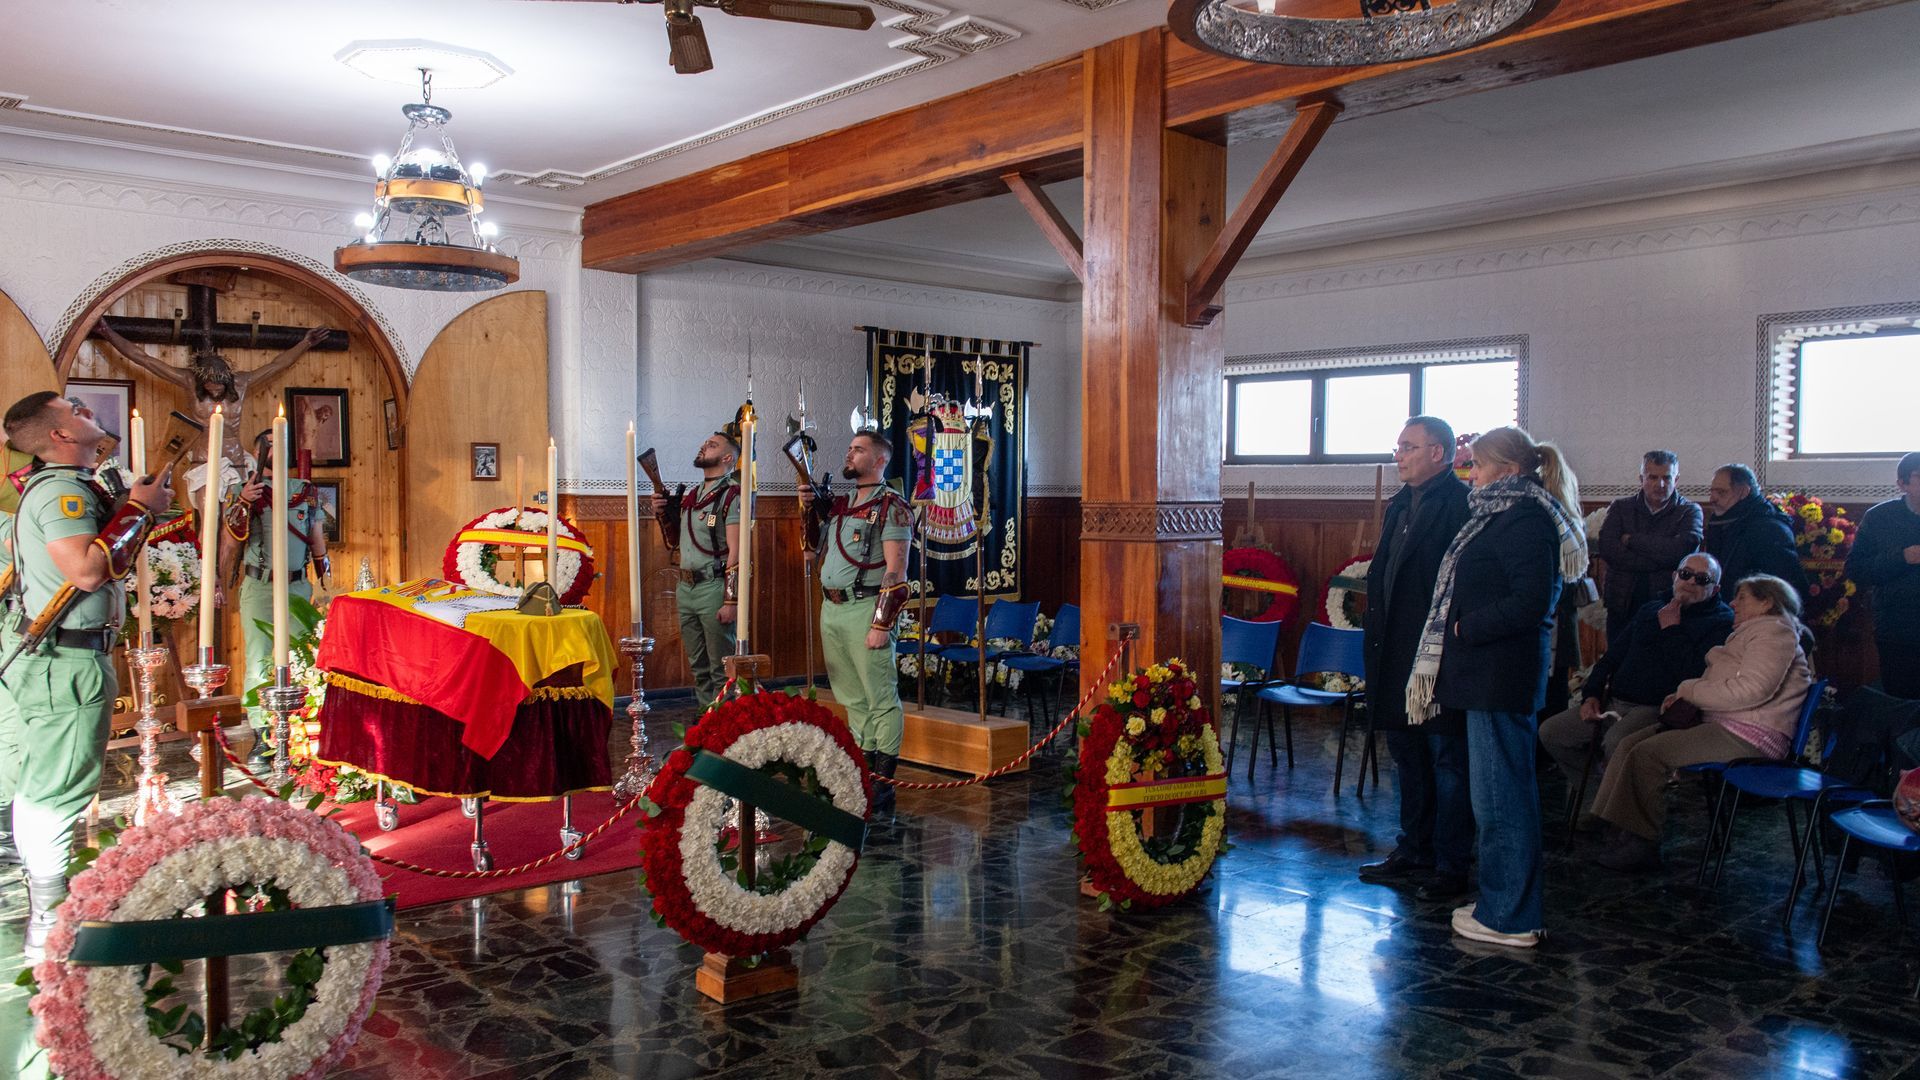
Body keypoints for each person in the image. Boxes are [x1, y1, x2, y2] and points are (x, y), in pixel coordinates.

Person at [0, 391, 169, 957]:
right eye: (75, 410)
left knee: (47, 782)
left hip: (56, 655)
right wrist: (139, 511)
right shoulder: (61, 493)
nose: (87, 412)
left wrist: (132, 505)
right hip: (65, 660)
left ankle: (47, 907)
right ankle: (49, 922)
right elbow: (87, 571)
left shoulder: (62, 486)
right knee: (55, 790)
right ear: (59, 437)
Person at [1410, 425, 1587, 949]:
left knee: (1501, 800)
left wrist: (1466, 627)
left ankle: (1509, 915)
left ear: (1508, 472)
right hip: (1486, 677)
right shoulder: (1502, 515)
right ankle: (1503, 903)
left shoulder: (1526, 519)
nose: (1472, 474)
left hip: (1498, 676)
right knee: (1494, 796)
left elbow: (1531, 601)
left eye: (1479, 466)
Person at [1591, 574, 1813, 872]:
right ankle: (1617, 828)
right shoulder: (1755, 633)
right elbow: (1727, 684)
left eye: (1743, 597)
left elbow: (1751, 691)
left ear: (1767, 602)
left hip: (1752, 734)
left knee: (1649, 754)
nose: (1733, 603)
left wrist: (1689, 691)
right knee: (1630, 742)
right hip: (1726, 722)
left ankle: (1641, 841)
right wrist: (1683, 695)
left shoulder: (1774, 634)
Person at [1359, 416, 1474, 901]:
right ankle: (1415, 847)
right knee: (1407, 753)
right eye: (1398, 446)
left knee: (1445, 759)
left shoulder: (1460, 505)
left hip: (1435, 654)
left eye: (1408, 447)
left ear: (1438, 454)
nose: (1398, 454)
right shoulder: (1401, 504)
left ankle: (1450, 864)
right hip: (1395, 648)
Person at [1538, 552, 1733, 818]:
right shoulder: (1652, 609)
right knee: (1552, 732)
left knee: (1615, 741)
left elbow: (1692, 674)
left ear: (1715, 589)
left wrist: (1672, 630)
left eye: (1702, 579)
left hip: (1658, 707)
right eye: (1685, 574)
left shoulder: (1720, 622)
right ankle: (1598, 795)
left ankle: (1613, 814)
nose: (1690, 583)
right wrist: (1591, 695)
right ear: (1675, 575)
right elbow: (1612, 656)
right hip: (1615, 700)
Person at [800, 432, 913, 821]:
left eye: (859, 449)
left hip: (866, 609)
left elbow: (896, 573)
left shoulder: (892, 507)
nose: (849, 453)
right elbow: (812, 551)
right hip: (832, 609)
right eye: (849, 448)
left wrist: (881, 624)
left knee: (880, 698)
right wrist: (807, 511)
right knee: (851, 698)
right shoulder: (843, 506)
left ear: (880, 460)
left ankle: (883, 783)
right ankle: (863, 774)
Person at [225, 428, 329, 767]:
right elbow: (231, 538)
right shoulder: (245, 491)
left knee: (299, 657)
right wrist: (243, 501)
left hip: (297, 585)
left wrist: (323, 567)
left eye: (282, 442)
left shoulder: (304, 491)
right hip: (261, 585)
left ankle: (297, 730)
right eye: (270, 443)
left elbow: (315, 534)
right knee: (259, 659)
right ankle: (261, 733)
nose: (276, 448)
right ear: (259, 451)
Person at [650, 426, 741, 709]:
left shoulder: (731, 495)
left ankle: (724, 723)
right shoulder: (694, 495)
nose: (704, 446)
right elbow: (676, 541)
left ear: (728, 458)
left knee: (720, 666)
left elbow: (737, 552)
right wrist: (663, 514)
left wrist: (731, 599)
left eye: (712, 445)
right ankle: (706, 718)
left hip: (713, 587)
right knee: (698, 665)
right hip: (686, 587)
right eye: (705, 443)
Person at [1595, 450, 1703, 641]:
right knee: (1618, 662)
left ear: (1676, 480)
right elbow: (1608, 548)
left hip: (1665, 603)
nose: (1660, 484)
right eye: (1653, 477)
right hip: (1622, 602)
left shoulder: (1689, 511)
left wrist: (1632, 540)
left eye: (1666, 478)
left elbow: (1682, 550)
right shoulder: (1621, 508)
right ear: (1641, 478)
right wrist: (1659, 560)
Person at [1844, 452, 1920, 699]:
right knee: (1901, 702)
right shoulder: (1879, 518)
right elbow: (1856, 570)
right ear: (1903, 484)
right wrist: (1902, 558)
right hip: (1898, 629)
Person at [1703, 463, 1809, 603]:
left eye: (1721, 492)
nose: (1712, 499)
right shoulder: (1724, 521)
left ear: (1744, 492)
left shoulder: (1769, 529)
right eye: (1712, 492)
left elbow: (1782, 586)